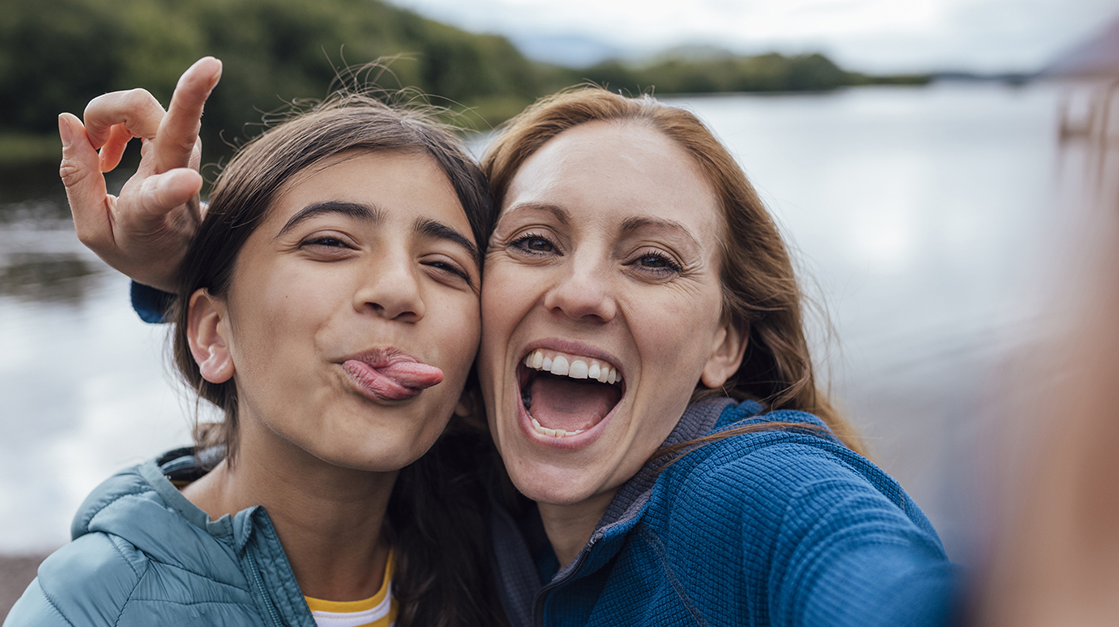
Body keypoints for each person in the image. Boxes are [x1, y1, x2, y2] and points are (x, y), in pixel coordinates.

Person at [63, 59, 960, 626]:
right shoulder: (457, 478)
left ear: (725, 343)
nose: (578, 290)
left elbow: (867, 572)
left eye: (652, 260)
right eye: (533, 242)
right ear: (484, 317)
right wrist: (185, 270)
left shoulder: (743, 493)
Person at [5, 58, 505, 626]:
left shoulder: (518, 557)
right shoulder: (92, 610)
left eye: (444, 266)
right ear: (213, 334)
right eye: (331, 242)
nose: (398, 289)